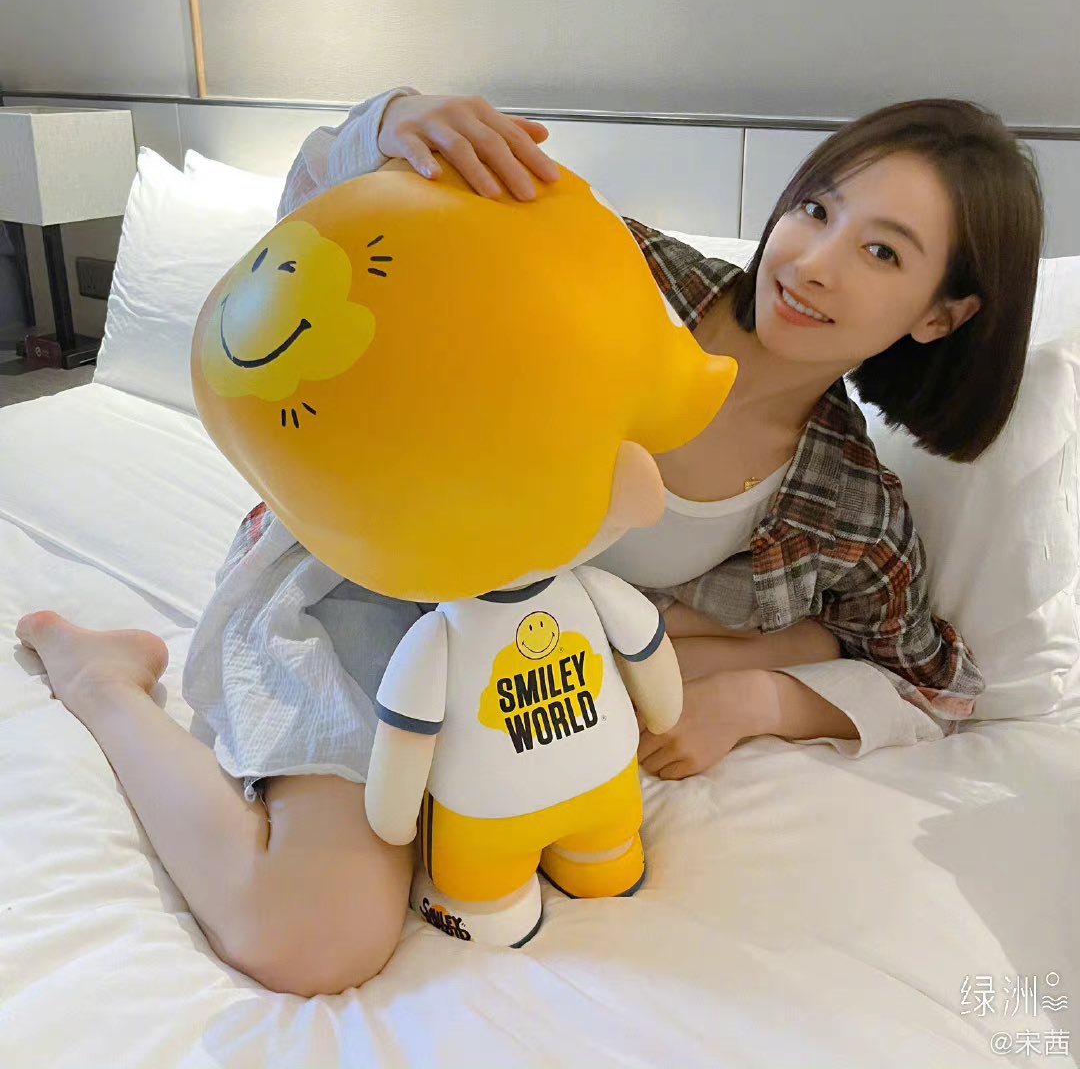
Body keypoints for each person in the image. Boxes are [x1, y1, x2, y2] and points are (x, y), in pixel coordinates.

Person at [16, 84, 1044, 996]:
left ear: (941, 316)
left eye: (881, 252)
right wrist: (389, 124)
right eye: (817, 208)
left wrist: (756, 700)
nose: (813, 263)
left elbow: (930, 679)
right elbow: (318, 252)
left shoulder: (846, 497)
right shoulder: (612, 265)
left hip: (521, 671)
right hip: (367, 584)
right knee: (314, 936)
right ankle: (105, 682)